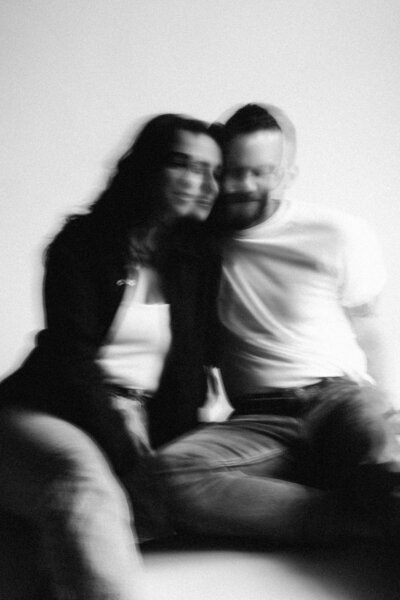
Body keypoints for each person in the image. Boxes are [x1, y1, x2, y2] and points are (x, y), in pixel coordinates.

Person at [0, 113, 222, 600]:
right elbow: (70, 362)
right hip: (48, 409)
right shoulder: (82, 244)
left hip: (130, 417)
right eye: (186, 165)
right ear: (147, 168)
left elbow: (188, 370)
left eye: (213, 171)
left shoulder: (196, 259)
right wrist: (124, 447)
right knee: (86, 484)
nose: (206, 184)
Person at [157, 103, 400, 547]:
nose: (243, 186)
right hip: (258, 419)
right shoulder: (196, 244)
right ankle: (354, 522)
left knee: (384, 464)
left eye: (261, 172)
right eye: (233, 172)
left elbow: (368, 328)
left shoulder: (336, 233)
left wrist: (383, 409)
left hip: (339, 398)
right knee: (166, 475)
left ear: (287, 175)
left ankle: (369, 494)